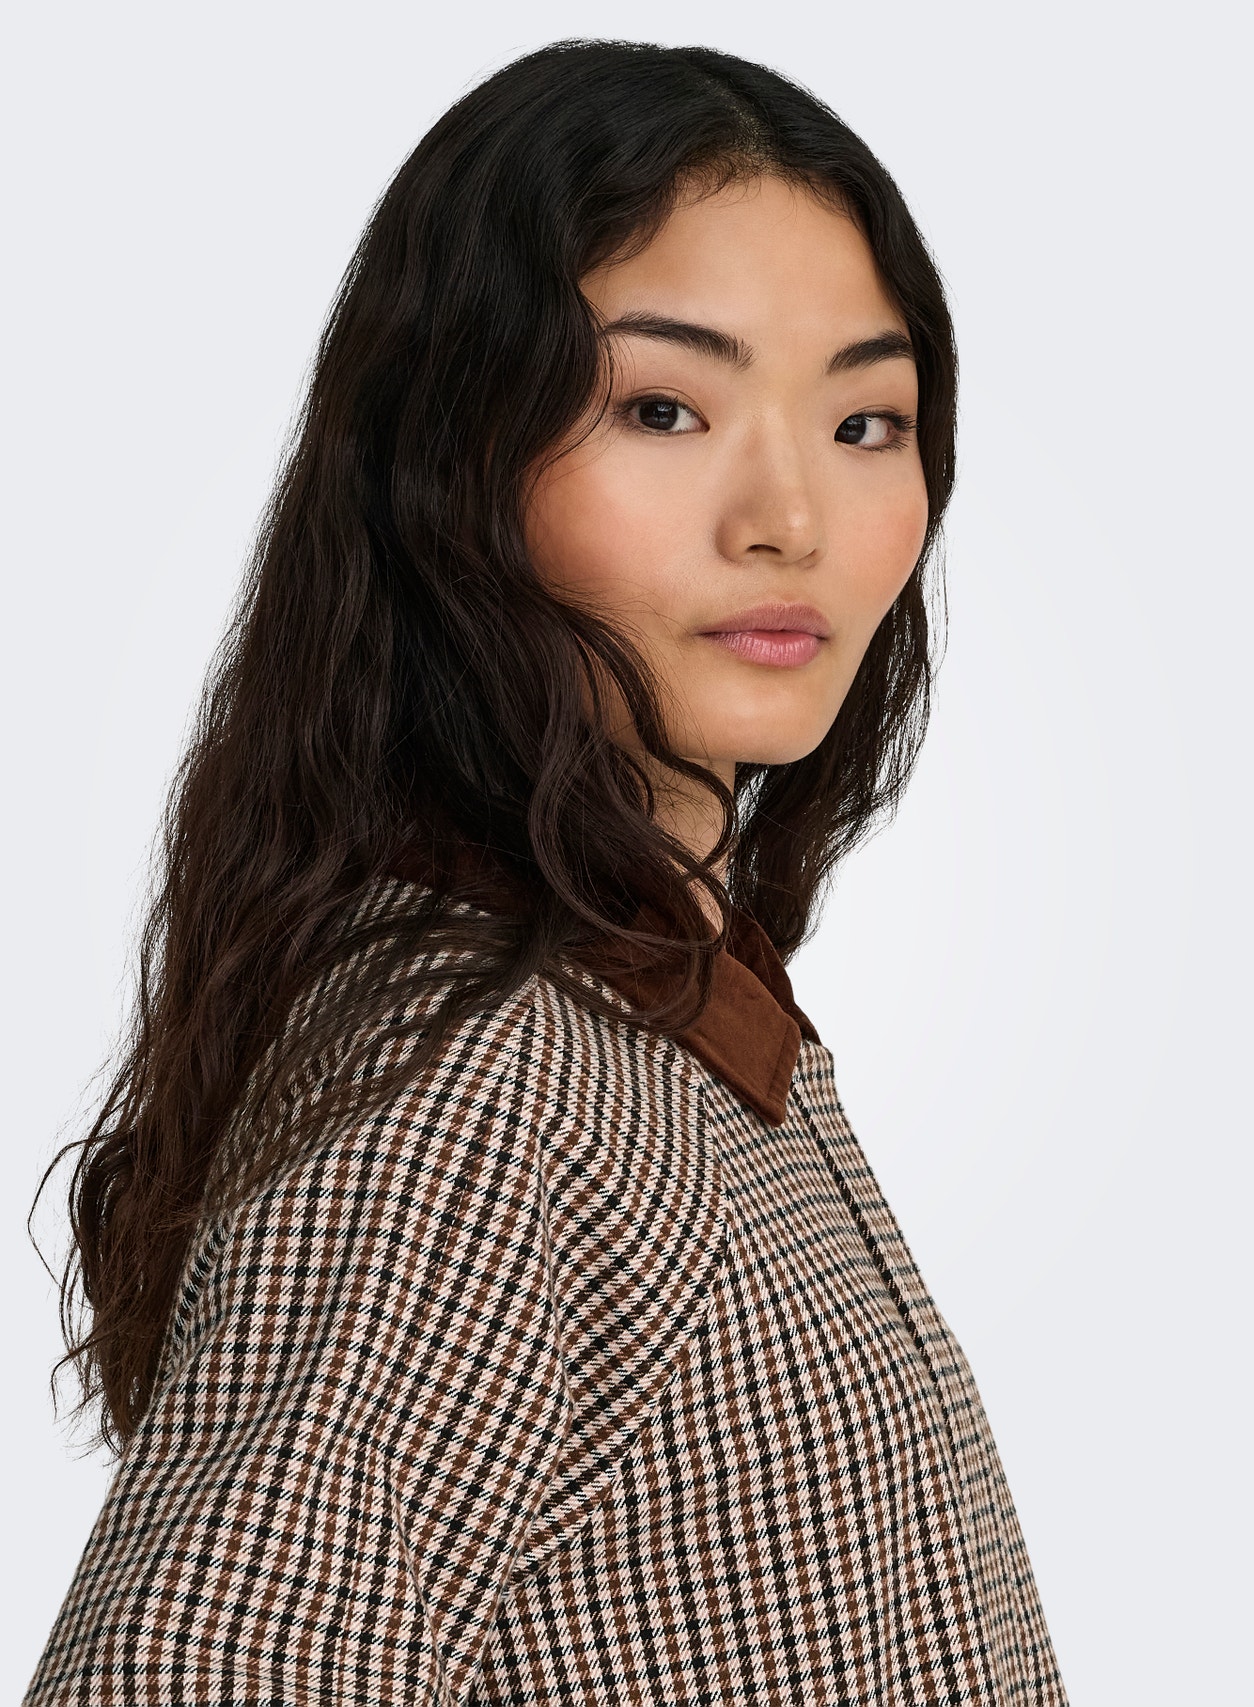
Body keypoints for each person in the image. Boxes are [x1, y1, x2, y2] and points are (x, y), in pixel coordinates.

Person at [27, 39, 1068, 1706]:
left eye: (866, 420)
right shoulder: (483, 1090)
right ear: (453, 460)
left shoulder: (675, 1013)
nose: (791, 517)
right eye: (662, 408)